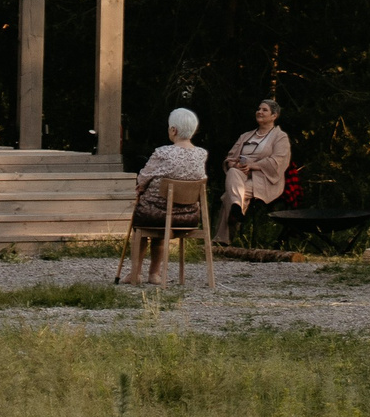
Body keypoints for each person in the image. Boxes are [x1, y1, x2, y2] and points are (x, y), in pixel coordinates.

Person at [124, 108, 209, 284]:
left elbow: (143, 177)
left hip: (157, 213)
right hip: (188, 215)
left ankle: (136, 273)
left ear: (173, 130)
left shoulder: (163, 153)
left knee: (143, 223)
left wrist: (141, 187)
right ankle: (154, 274)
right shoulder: (201, 154)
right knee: (163, 222)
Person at [214, 99, 290, 245]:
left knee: (230, 195)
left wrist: (253, 165)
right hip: (240, 175)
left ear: (274, 116)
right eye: (258, 109)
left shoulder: (280, 137)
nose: (259, 112)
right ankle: (236, 209)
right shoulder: (245, 136)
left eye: (264, 110)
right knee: (232, 172)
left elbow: (278, 161)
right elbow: (230, 158)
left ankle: (222, 240)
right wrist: (236, 164)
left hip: (264, 179)